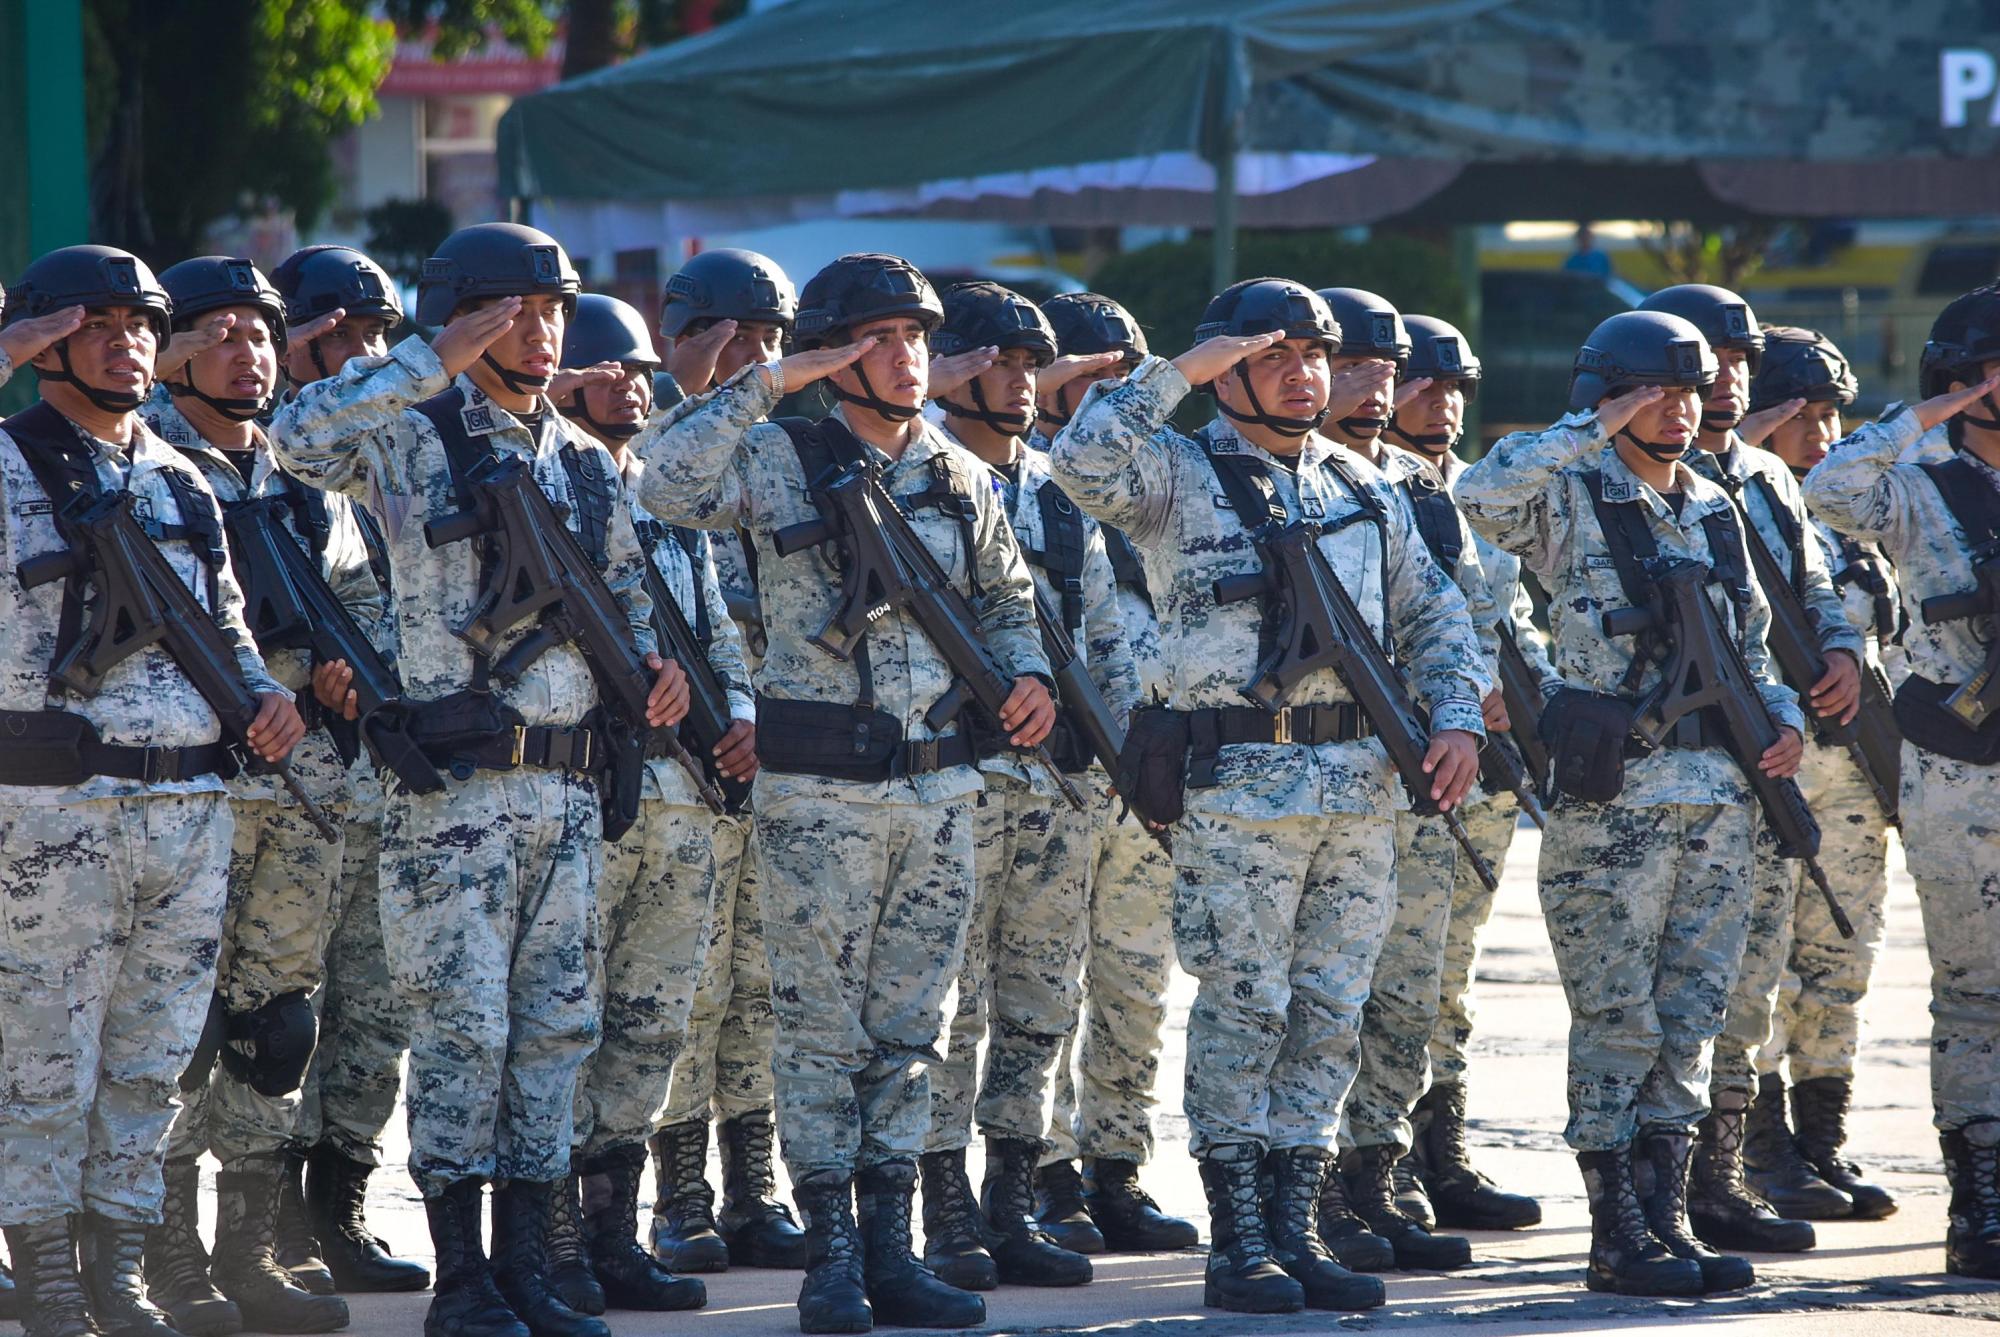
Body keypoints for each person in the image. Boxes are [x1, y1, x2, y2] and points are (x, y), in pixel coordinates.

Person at [271, 222, 688, 1337]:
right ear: (461, 316)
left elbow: (626, 590)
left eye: (554, 311)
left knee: (553, 1032)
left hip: (566, 789)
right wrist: (428, 361)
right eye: (515, 311)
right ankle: (462, 1280)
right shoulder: (409, 431)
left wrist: (654, 668)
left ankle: (529, 1269)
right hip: (455, 794)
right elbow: (296, 437)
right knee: (461, 1030)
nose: (543, 333)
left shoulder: (583, 457)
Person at [628, 252, 1054, 1333]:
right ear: (832, 352)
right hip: (819, 795)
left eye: (917, 338)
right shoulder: (777, 455)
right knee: (819, 1031)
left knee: (910, 1029)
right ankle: (831, 1262)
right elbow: (662, 480)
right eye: (881, 338)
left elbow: (1007, 600)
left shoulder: (957, 472)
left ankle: (892, 1251)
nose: (907, 358)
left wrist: (1032, 676)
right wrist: (772, 381)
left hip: (937, 792)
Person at [1049, 277, 1488, 1315]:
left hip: (1357, 790)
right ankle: (1239, 1238)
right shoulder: (1175, 472)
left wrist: (1458, 715)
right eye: (1275, 355)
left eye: (1315, 355)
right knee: (1245, 1008)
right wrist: (1181, 371)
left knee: (1329, 1012)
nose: (1304, 374)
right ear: (1226, 370)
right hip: (1237, 792)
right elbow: (1077, 461)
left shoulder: (1362, 483)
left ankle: (1298, 1225)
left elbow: (1434, 613)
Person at [1458, 310, 1806, 1298]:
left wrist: (1781, 714)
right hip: (1612, 802)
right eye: (1653, 391)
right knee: (1616, 1017)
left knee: (1690, 1015)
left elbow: (1746, 644)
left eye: (1688, 391)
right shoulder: (1568, 493)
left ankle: (1668, 1219)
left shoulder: (1712, 504)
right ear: (1607, 395)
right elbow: (1480, 494)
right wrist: (1589, 426)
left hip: (1717, 797)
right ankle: (1615, 1231)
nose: (1678, 408)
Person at [0, 244, 301, 1337]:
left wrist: (265, 695)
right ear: (46, 342)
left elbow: (226, 625)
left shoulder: (179, 477)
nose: (125, 341)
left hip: (189, 814)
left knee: (150, 1061)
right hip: (57, 816)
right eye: (96, 324)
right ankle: (45, 1274)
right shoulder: (9, 461)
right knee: (45, 1057)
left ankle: (117, 1269)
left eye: (140, 324)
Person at [142, 256, 364, 1336]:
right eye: (221, 333)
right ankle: (168, 1254)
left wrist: (349, 674)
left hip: (304, 780)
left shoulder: (300, 472)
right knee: (179, 1021)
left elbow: (360, 594)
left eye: (262, 333)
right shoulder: (138, 464)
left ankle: (251, 1246)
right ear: (171, 353)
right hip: (194, 776)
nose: (249, 353)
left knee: (275, 1022)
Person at [1634, 283, 1863, 1252]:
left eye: (1736, 363)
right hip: (1675, 769)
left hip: (1770, 758)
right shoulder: (1643, 472)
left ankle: (1726, 1175)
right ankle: (1659, 1187)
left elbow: (1811, 583)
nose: (1725, 379)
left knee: (1754, 973)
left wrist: (1842, 646)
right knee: (1668, 988)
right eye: (1707, 364)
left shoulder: (1766, 476)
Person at [915, 282, 1133, 1293]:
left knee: (1041, 997)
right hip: (953, 778)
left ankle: (1012, 1195)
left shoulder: (1056, 489)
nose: (1018, 381)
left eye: (1029, 364)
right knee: (946, 1004)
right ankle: (942, 1206)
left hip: (1058, 785)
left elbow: (1103, 635)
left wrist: (1126, 754)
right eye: (998, 361)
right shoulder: (912, 471)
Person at [545, 292, 754, 1316]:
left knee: (650, 1019)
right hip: (590, 790)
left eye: (638, 371)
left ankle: (612, 1232)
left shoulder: (667, 498)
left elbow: (716, 628)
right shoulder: (548, 490)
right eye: (606, 370)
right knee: (565, 1019)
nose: (630, 386)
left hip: (685, 795)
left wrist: (743, 712)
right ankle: (551, 1238)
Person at [1801, 283, 2000, 1280]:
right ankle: (1981, 1194)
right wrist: (1926, 413)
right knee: (1976, 992)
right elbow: (1828, 488)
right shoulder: (1917, 483)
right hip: (1961, 768)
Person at [1313, 288, 1493, 1273]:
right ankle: (1314, 1189)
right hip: (1321, 777)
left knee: (1409, 988)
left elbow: (1464, 616)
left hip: (1419, 779)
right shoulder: (1281, 482)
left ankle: (1377, 1171)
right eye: (1358, 368)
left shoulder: (1417, 489)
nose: (1376, 388)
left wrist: (1463, 706)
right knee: (1321, 993)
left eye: (1387, 370)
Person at [268, 242, 433, 1297]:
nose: (368, 354)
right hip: (282, 786)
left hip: (377, 775)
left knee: (375, 1009)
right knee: (283, 1007)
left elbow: (386, 601)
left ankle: (344, 1208)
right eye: (351, 336)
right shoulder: (237, 452)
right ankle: (269, 1222)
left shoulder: (386, 457)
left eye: (381, 335)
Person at [646, 248, 808, 1277]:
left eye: (770, 339)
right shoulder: (652, 448)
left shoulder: (791, 451)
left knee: (762, 981)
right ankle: (681, 1194)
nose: (753, 357)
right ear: (683, 337)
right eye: (732, 335)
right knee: (686, 985)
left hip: (780, 750)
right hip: (682, 757)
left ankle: (755, 1186)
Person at [1028, 294, 1200, 1257]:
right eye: (1086, 372)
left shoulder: (1171, 477)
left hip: (1147, 775)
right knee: (1045, 985)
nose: (1108, 389)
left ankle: (1116, 1166)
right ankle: (1046, 1174)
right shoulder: (1009, 474)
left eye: (1125, 373)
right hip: (1051, 775)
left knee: (1136, 982)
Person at [1384, 313, 1550, 1234]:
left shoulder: (1474, 494)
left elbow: (1510, 623)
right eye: (1423, 384)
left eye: (1454, 387)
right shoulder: (1366, 489)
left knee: (1449, 975)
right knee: (1388, 975)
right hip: (1406, 768)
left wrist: (1539, 699)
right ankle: (1373, 1162)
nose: (1440, 402)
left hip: (1482, 774)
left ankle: (1438, 1152)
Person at [1736, 327, 1902, 1222]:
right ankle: (1760, 1152)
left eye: (1832, 413)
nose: (1820, 431)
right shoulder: (1724, 503)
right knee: (1765, 967)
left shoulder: (1850, 521)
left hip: (1857, 775)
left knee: (1841, 960)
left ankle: (1821, 1140)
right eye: (1799, 413)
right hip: (1772, 770)